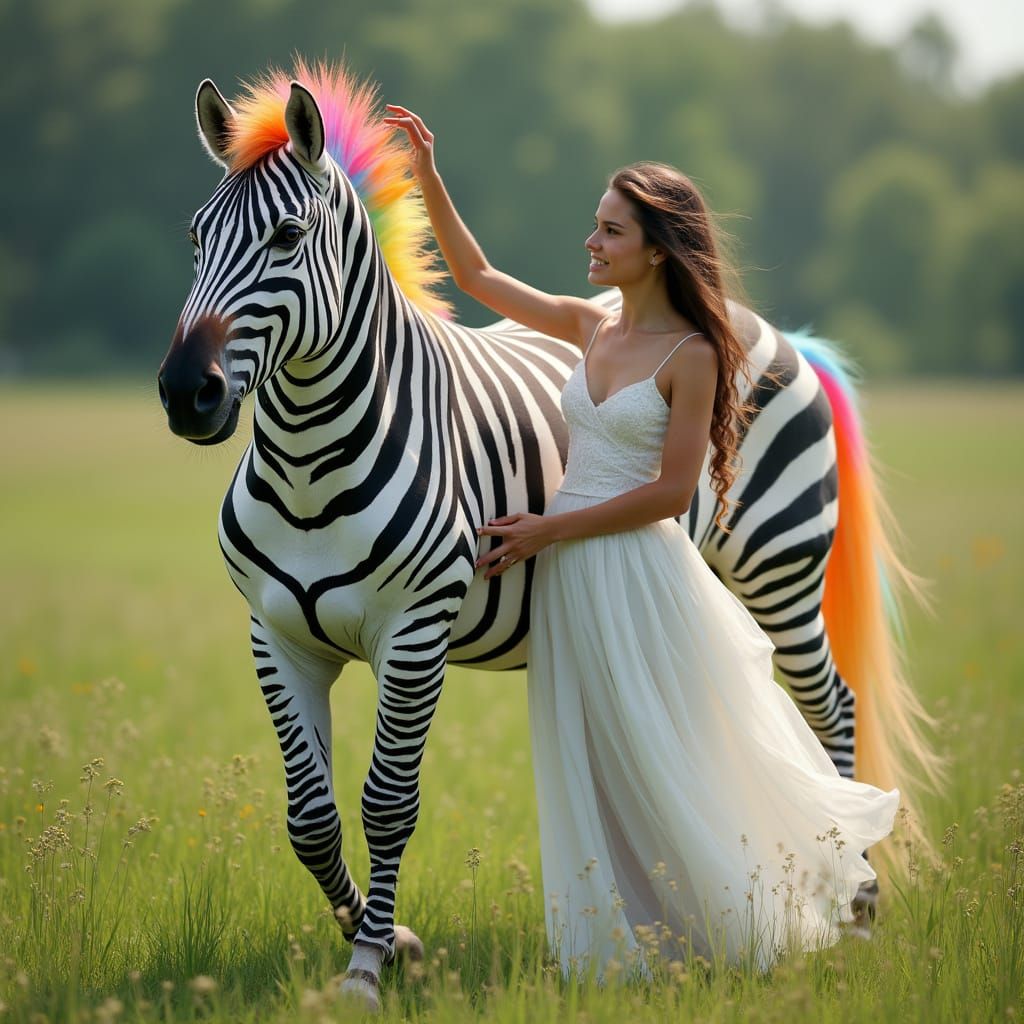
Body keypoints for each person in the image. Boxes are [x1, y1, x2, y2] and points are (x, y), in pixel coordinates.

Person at [383, 104, 899, 976]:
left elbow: (667, 493)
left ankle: (738, 925)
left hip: (634, 571)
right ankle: (620, 941)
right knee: (590, 759)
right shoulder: (592, 327)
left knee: (665, 754)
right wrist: (428, 175)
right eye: (595, 224)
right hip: (573, 580)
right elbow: (474, 277)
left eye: (610, 229)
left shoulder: (691, 354)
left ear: (656, 248)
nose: (592, 240)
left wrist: (552, 526)